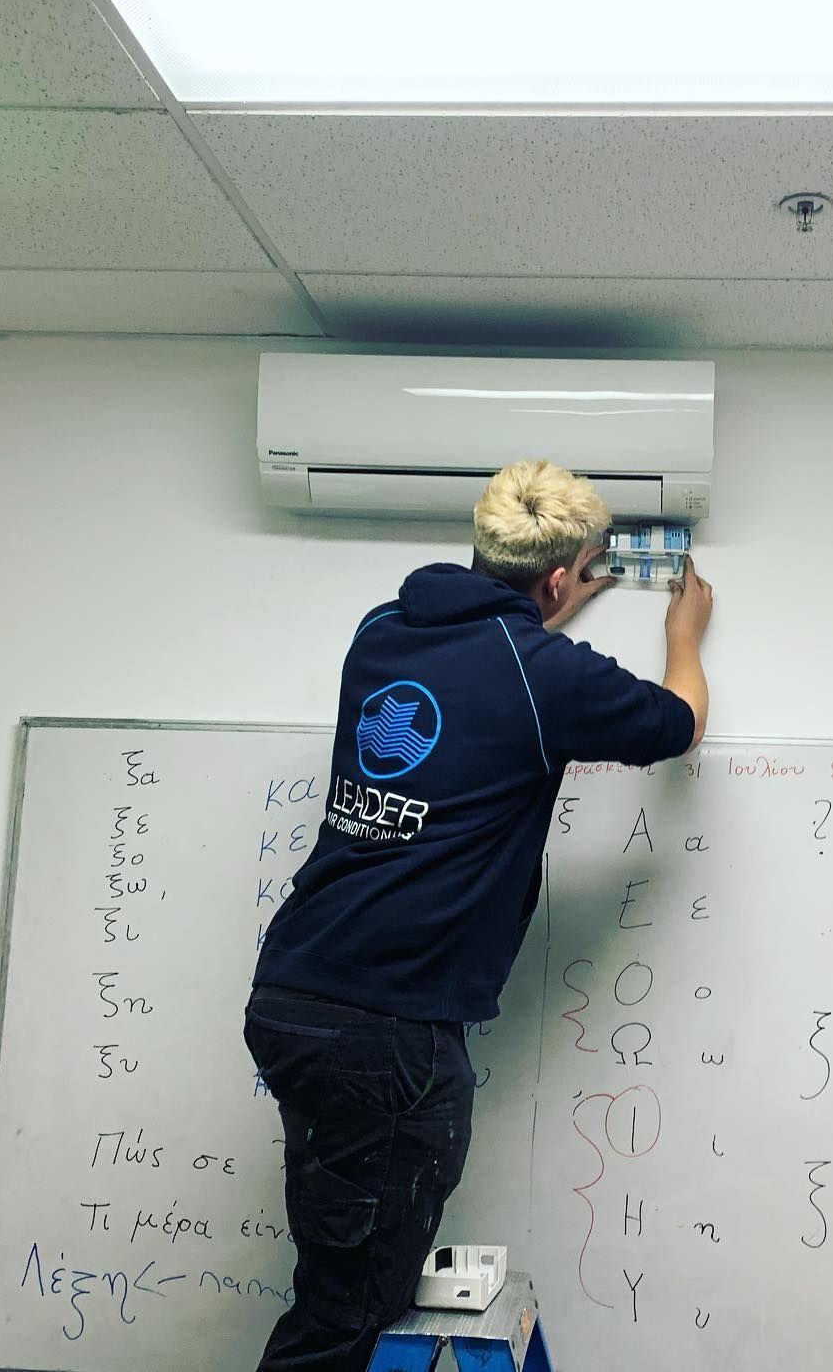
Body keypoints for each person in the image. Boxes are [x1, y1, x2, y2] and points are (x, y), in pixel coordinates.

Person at [243, 459, 712, 1370]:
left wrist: (540, 613)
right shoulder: (543, 676)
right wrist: (684, 633)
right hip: (388, 1032)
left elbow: (488, 669)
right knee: (346, 1317)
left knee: (341, 1283)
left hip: (299, 993)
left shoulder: (380, 632)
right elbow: (679, 720)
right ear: (559, 577)